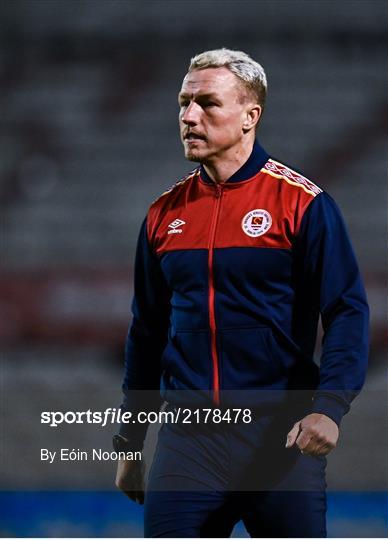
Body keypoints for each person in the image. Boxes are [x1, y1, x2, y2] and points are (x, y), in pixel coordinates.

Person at [114, 48, 369, 537]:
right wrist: (130, 440)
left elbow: (347, 312)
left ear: (251, 115)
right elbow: (145, 333)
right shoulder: (163, 214)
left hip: (279, 437)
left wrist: (328, 407)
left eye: (207, 103)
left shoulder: (303, 204)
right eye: (184, 102)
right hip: (188, 442)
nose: (189, 116)